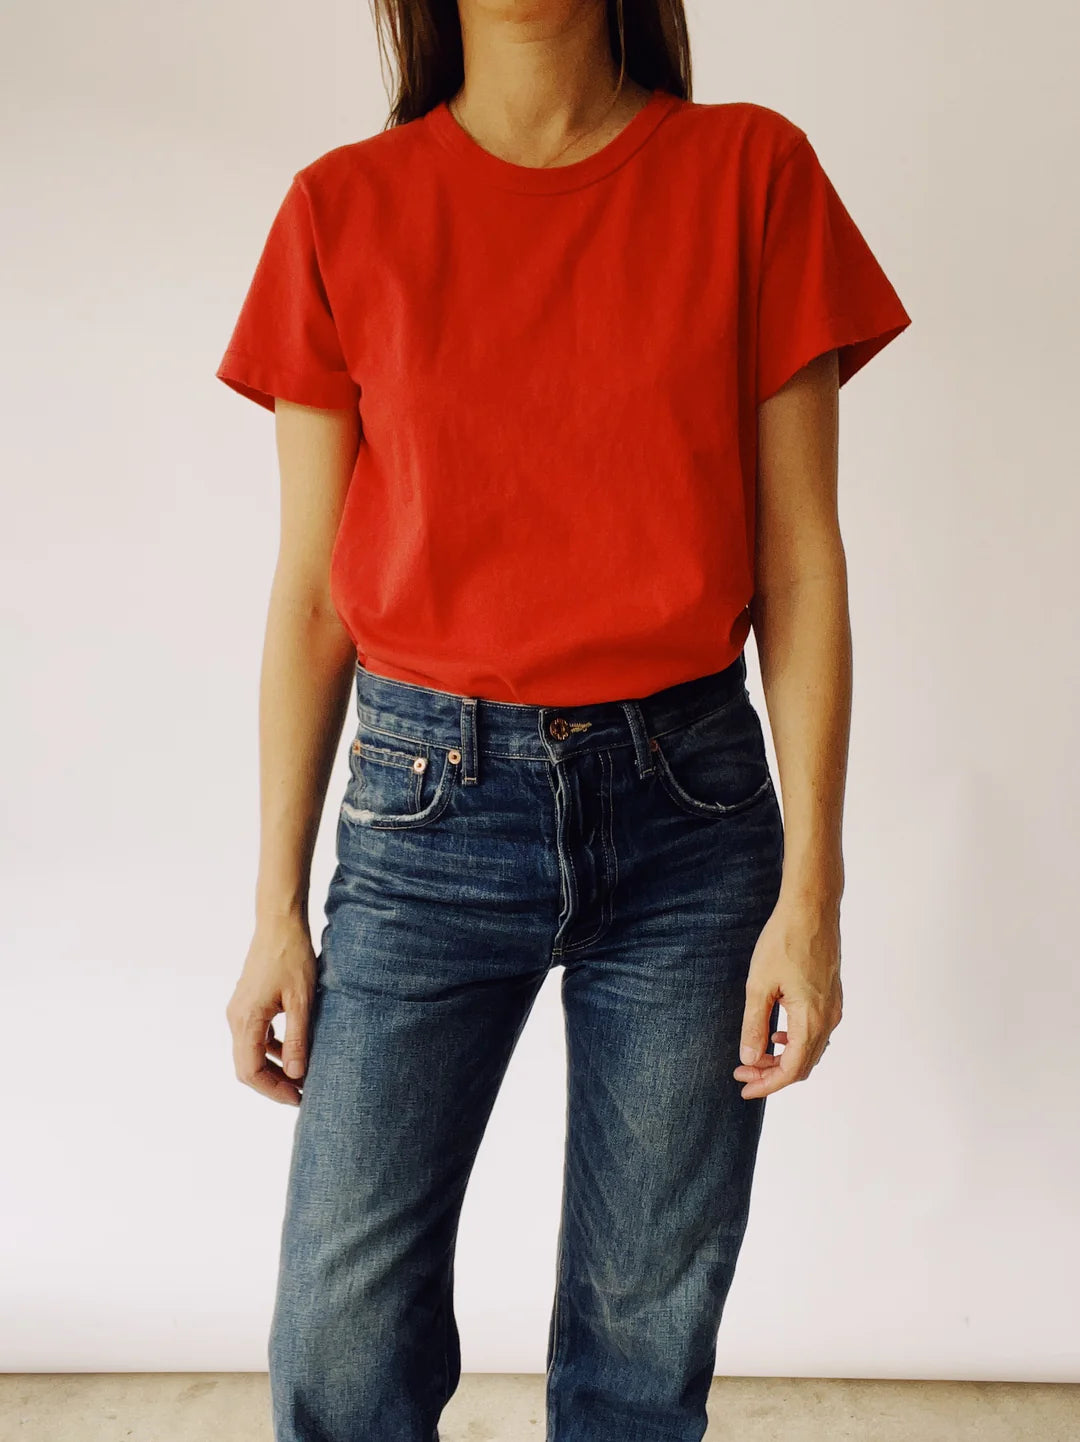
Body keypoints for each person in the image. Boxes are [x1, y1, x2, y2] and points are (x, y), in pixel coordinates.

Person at [217, 3, 911, 1439]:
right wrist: (276, 908)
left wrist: (814, 893)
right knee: (339, 1341)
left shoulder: (752, 175)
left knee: (639, 1348)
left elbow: (801, 562)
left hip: (693, 818)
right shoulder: (342, 210)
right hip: (422, 815)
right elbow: (311, 598)